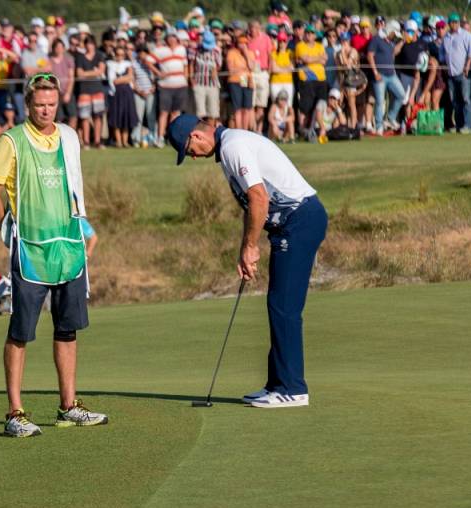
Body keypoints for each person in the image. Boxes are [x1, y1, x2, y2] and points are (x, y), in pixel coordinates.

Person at [0, 73, 109, 437]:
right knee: (20, 332)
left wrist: (84, 226)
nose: (46, 110)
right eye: (40, 105)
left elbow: (74, 187)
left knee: (67, 330)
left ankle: (68, 406)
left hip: (68, 248)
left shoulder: (69, 136)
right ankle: (14, 412)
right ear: (27, 105)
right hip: (31, 252)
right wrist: (10, 233)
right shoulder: (12, 141)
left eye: (52, 104)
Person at [167, 114, 327, 407]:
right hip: (292, 223)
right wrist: (246, 245)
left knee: (284, 306)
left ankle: (292, 388)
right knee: (278, 303)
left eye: (188, 150)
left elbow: (258, 198)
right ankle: (277, 383)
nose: (191, 157)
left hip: (301, 220)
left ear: (197, 136)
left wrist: (250, 246)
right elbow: (251, 204)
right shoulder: (230, 145)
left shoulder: (233, 146)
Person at [153, 30, 189, 150]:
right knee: (163, 112)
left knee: (176, 113)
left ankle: (172, 137)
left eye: (174, 37)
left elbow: (185, 65)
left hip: (180, 85)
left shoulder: (181, 49)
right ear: (166, 38)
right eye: (170, 37)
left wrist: (185, 78)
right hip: (165, 86)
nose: (172, 39)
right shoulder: (159, 50)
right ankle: (160, 138)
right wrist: (158, 73)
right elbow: (148, 61)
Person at [442, 13, 471, 133]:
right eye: (452, 22)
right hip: (451, 74)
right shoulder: (446, 37)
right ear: (449, 23)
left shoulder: (466, 35)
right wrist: (445, 66)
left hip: (463, 73)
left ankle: (468, 125)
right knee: (455, 101)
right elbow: (443, 53)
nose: (455, 24)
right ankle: (459, 124)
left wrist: (467, 65)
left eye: (457, 22)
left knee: (466, 99)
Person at [106, 45, 138, 148]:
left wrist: (121, 79)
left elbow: (130, 77)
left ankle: (125, 141)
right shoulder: (110, 65)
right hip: (116, 94)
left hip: (127, 93)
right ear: (114, 55)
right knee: (117, 118)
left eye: (122, 55)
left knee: (126, 117)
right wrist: (125, 78)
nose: (120, 57)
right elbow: (113, 81)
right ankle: (118, 141)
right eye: (118, 54)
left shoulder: (128, 64)